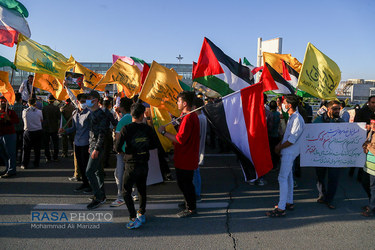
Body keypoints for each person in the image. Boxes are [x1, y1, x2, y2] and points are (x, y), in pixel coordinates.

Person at [115, 103, 157, 229]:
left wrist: (123, 151)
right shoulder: (147, 129)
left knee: (126, 191)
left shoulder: (126, 128)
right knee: (142, 189)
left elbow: (117, 147)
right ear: (142, 114)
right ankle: (141, 213)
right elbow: (154, 145)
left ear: (132, 114)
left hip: (131, 163)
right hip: (144, 162)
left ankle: (133, 217)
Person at [158, 91, 200, 218]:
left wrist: (164, 133)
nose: (177, 103)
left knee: (184, 183)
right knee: (184, 182)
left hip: (186, 156)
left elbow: (180, 139)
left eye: (179, 101)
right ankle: (189, 202)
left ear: (185, 103)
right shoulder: (187, 115)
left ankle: (191, 208)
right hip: (185, 155)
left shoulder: (188, 118)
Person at [266, 95, 305, 217]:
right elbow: (286, 135)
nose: (283, 104)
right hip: (287, 150)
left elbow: (291, 140)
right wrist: (279, 144)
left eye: (285, 102)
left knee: (282, 178)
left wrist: (279, 147)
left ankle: (281, 208)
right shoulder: (292, 117)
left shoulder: (297, 119)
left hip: (290, 151)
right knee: (288, 177)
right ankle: (289, 202)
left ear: (290, 105)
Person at [313, 100, 344, 209]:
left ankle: (329, 199)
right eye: (334, 108)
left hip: (335, 155)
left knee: (334, 178)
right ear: (328, 109)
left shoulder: (341, 121)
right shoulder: (319, 120)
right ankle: (322, 194)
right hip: (321, 155)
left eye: (338, 109)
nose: (337, 111)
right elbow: (312, 133)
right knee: (320, 177)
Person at [59, 93, 92, 193]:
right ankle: (84, 183)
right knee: (81, 165)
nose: (84, 104)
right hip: (77, 142)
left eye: (85, 102)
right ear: (77, 102)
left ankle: (90, 185)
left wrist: (91, 144)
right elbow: (73, 128)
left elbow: (92, 130)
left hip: (86, 143)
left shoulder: (89, 113)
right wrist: (64, 131)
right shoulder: (74, 113)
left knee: (87, 165)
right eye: (82, 102)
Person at [85, 90, 108, 210]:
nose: (87, 100)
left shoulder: (100, 114)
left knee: (89, 171)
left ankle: (98, 197)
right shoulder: (93, 113)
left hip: (98, 147)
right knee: (98, 172)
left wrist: (96, 148)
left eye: (90, 98)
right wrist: (91, 146)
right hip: (94, 146)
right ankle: (102, 195)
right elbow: (92, 132)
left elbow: (102, 133)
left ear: (96, 100)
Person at [111, 97, 133, 207]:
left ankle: (120, 196)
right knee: (130, 172)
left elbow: (118, 135)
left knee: (119, 173)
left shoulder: (124, 119)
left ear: (122, 107)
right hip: (133, 150)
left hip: (123, 151)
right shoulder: (134, 117)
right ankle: (134, 193)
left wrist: (117, 148)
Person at [21, 98, 43, 169]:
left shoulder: (25, 111)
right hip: (37, 130)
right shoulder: (39, 111)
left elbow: (23, 119)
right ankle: (36, 163)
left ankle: (25, 164)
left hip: (28, 131)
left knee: (26, 149)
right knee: (37, 149)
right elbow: (41, 120)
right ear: (35, 103)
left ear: (28, 103)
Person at [0, 96, 19, 178]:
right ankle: (7, 168)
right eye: (1, 102)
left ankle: (11, 170)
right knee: (3, 154)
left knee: (10, 153)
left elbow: (17, 121)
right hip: (1, 135)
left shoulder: (11, 112)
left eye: (4, 102)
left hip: (9, 134)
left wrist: (8, 119)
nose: (2, 103)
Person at [193, 97, 207, 202]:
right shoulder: (202, 117)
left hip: (196, 149)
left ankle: (196, 194)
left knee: (195, 172)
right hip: (199, 148)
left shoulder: (198, 118)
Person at [361, 116, 375, 217]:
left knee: (373, 187)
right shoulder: (371, 132)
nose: (372, 126)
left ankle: (372, 207)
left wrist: (368, 146)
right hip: (369, 165)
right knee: (365, 183)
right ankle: (372, 202)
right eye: (371, 123)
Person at [42, 95, 61, 162]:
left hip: (46, 128)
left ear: (48, 100)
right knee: (55, 143)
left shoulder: (44, 108)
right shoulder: (56, 108)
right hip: (54, 128)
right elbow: (59, 118)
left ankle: (48, 157)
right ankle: (55, 157)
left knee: (46, 144)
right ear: (54, 101)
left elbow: (43, 118)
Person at [12, 93, 25, 163]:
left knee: (15, 145)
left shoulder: (12, 107)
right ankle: (21, 158)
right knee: (22, 144)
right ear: (20, 99)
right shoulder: (24, 108)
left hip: (14, 128)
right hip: (22, 127)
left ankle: (15, 157)